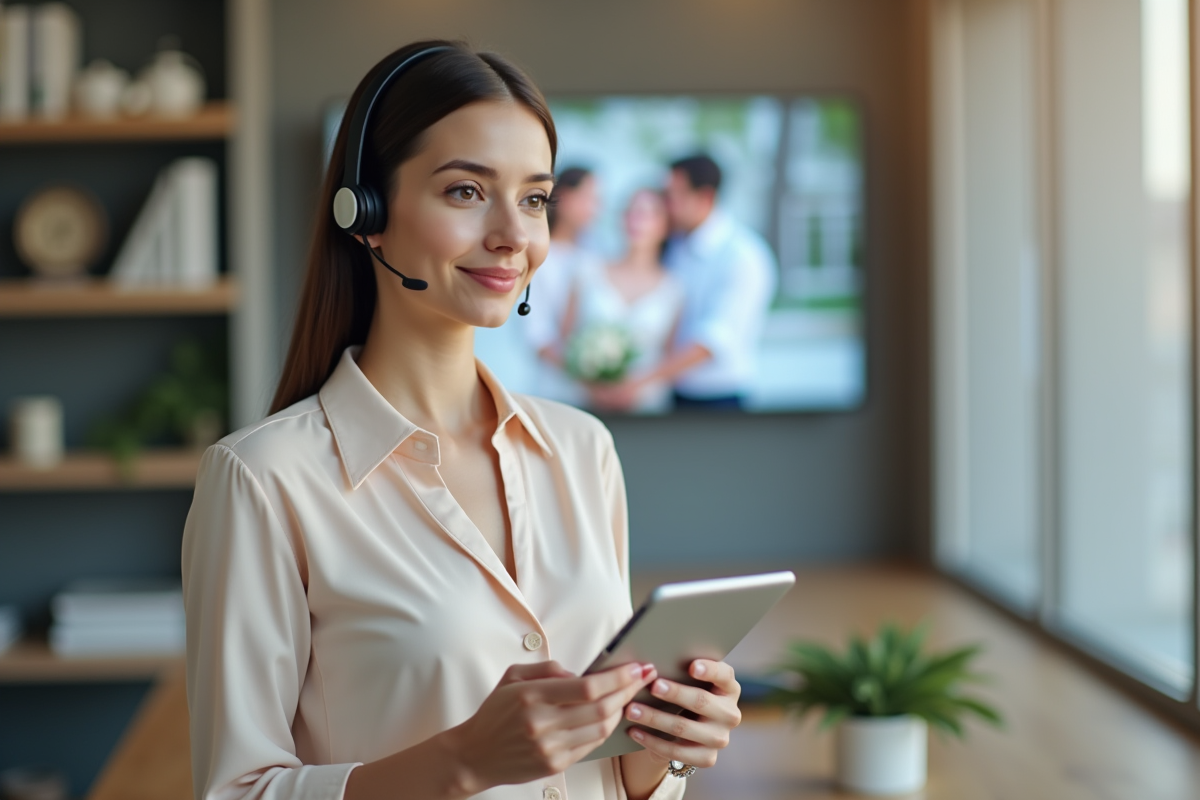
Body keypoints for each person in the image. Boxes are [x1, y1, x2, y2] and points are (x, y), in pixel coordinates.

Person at [181, 41, 742, 800]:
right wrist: (461, 764)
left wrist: (661, 752)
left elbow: (609, 779)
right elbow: (236, 791)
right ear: (366, 213)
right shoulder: (262, 480)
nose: (513, 234)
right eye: (466, 191)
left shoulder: (584, 450)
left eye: (535, 199)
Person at [656, 154, 778, 410]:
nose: (665, 205)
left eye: (673, 196)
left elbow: (713, 340)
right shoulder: (673, 246)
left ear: (705, 197)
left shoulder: (743, 255)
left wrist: (639, 382)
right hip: (672, 394)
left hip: (721, 399)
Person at [556, 189, 685, 414]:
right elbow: (565, 338)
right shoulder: (588, 271)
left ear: (666, 226)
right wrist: (591, 383)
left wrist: (634, 386)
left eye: (649, 213)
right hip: (586, 402)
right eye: (631, 212)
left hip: (646, 407)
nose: (637, 220)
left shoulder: (674, 289)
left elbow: (670, 355)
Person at [525, 166, 604, 403]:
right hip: (554, 390)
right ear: (565, 198)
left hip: (597, 392)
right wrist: (583, 375)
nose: (595, 209)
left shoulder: (596, 255)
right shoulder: (539, 257)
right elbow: (537, 335)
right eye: (588, 198)